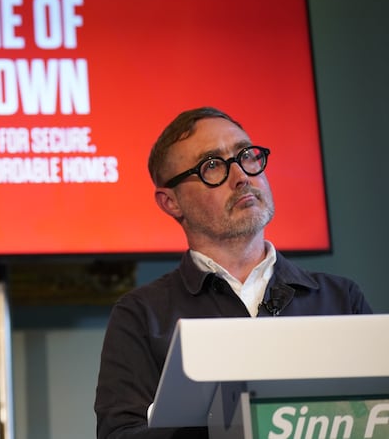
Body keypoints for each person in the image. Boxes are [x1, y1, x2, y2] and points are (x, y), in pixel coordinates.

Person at [94, 107, 372, 439]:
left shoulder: (340, 299)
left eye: (246, 156)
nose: (241, 177)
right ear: (171, 202)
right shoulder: (141, 315)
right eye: (212, 166)